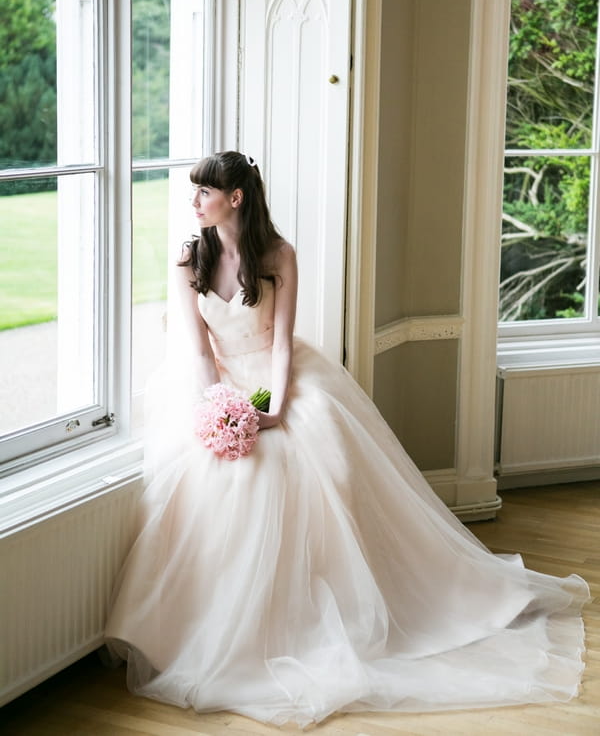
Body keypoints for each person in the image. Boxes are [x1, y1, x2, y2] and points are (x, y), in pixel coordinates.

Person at [105, 151, 589, 728]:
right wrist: (225, 411)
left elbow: (283, 345)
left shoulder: (279, 255)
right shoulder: (190, 258)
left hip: (278, 380)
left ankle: (344, 607)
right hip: (221, 384)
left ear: (235, 197)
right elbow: (199, 353)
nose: (193, 202)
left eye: (203, 192)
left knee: (308, 452)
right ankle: (207, 626)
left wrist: (273, 409)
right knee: (218, 473)